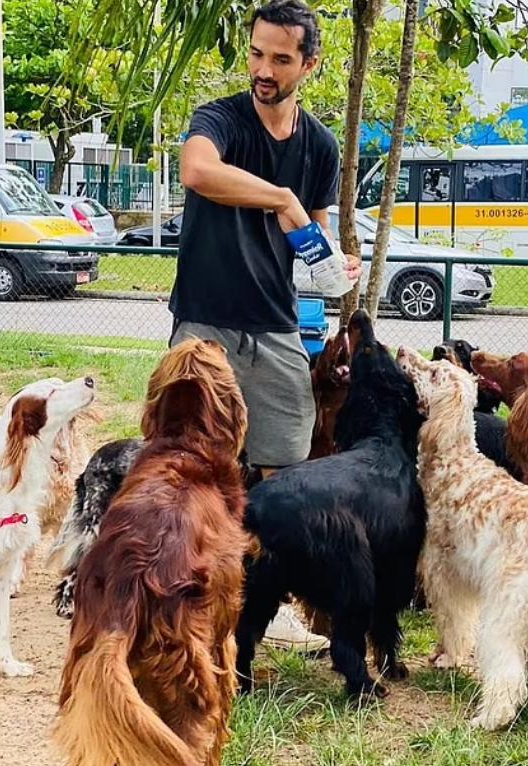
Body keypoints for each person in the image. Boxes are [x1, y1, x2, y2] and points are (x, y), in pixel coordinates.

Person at [169, 0, 360, 651]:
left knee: (284, 474)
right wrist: (279, 197)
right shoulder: (219, 119)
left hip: (277, 326)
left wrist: (339, 266)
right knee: (188, 467)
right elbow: (197, 171)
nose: (263, 69)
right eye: (256, 53)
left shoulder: (320, 146)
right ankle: (181, 597)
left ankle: (263, 603)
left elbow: (317, 240)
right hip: (205, 321)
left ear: (310, 64)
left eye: (280, 58)